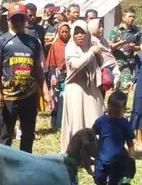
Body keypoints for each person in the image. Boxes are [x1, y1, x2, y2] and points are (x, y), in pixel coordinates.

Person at [0, 2, 51, 153]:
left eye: (21, 18)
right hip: (9, 97)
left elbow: (38, 70)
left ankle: (25, 164)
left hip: (30, 96)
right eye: (14, 18)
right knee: (6, 134)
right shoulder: (1, 41)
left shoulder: (33, 42)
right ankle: (4, 165)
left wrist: (46, 92)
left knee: (28, 134)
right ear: (8, 20)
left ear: (26, 19)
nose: (18, 22)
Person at [61, 20, 104, 152]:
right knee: (77, 120)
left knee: (95, 117)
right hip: (76, 89)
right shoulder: (70, 48)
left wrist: (99, 53)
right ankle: (77, 152)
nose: (80, 36)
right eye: (76, 33)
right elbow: (77, 64)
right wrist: (91, 52)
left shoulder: (93, 45)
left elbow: (103, 62)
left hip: (92, 88)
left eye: (82, 33)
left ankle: (93, 151)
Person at [93, 91, 135, 185]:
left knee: (115, 179)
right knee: (99, 176)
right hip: (102, 157)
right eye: (112, 112)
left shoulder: (124, 123)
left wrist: (130, 157)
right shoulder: (101, 121)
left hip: (118, 159)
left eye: (118, 113)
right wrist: (93, 148)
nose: (115, 115)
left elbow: (130, 142)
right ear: (108, 106)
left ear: (124, 110)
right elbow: (92, 134)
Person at [108, 8, 141, 93]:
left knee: (125, 88)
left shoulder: (136, 31)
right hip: (116, 63)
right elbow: (109, 47)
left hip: (128, 64)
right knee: (114, 88)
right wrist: (120, 43)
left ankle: (122, 105)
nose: (132, 18)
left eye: (133, 17)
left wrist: (134, 48)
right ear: (123, 18)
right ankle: (114, 106)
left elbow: (140, 46)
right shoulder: (115, 31)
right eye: (129, 16)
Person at [46, 22, 70, 129]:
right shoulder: (55, 46)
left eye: (66, 31)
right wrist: (53, 77)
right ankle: (55, 122)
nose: (64, 34)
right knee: (56, 98)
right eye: (62, 32)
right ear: (58, 32)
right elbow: (51, 63)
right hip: (58, 75)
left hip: (69, 75)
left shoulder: (72, 45)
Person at [88, 18, 121, 93]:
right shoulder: (90, 41)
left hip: (104, 76)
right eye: (99, 27)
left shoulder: (103, 41)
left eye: (102, 26)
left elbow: (109, 58)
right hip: (93, 77)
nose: (102, 29)